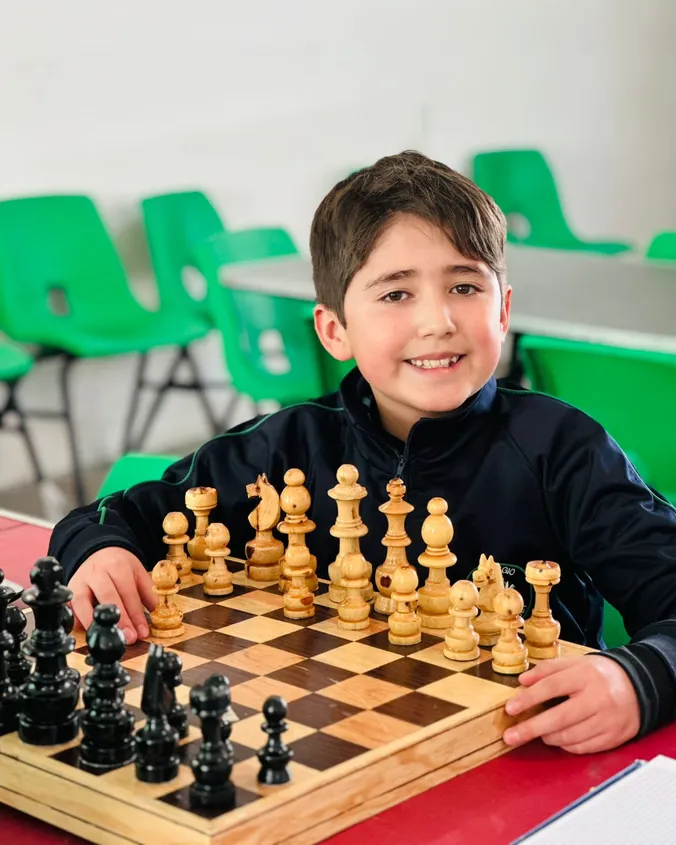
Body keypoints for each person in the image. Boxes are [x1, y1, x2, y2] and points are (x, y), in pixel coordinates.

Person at [49, 150, 676, 755]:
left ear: (504, 309)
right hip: (327, 742)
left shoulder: (562, 449)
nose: (438, 320)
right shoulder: (287, 447)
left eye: (464, 286)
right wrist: (99, 551)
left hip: (522, 746)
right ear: (334, 330)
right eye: (396, 294)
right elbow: (111, 516)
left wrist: (639, 680)